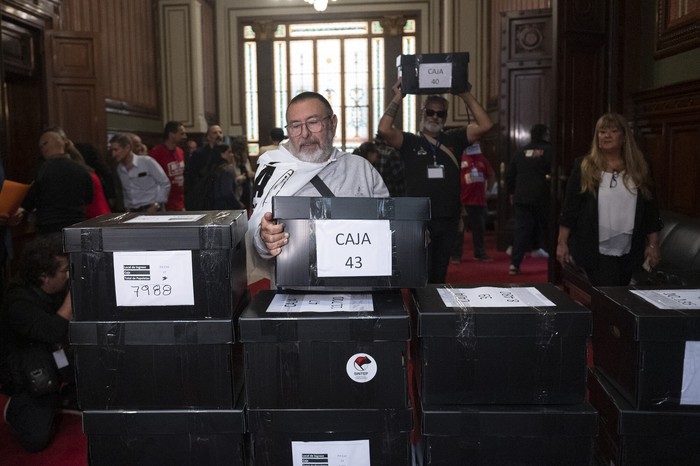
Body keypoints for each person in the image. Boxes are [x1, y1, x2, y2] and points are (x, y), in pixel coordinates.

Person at [247, 91, 388, 284]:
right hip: (293, 289)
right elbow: (258, 231)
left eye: (313, 122)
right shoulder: (274, 167)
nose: (305, 134)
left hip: (356, 286)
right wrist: (265, 239)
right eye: (296, 126)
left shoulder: (360, 168)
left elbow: (389, 227)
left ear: (333, 123)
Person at [378, 79, 493, 282]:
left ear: (445, 116)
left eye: (440, 113)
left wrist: (465, 93)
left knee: (440, 271)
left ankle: (433, 311)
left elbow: (486, 125)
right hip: (419, 218)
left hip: (448, 217)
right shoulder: (410, 141)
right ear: (423, 112)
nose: (435, 117)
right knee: (418, 270)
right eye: (430, 111)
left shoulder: (455, 138)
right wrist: (398, 96)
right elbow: (385, 130)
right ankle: (417, 310)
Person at [557, 112, 663, 286]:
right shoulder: (584, 166)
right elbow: (570, 209)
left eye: (613, 131)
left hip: (629, 249)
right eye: (602, 132)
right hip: (594, 249)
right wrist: (562, 243)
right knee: (608, 297)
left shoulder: (641, 167)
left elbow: (651, 210)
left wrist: (653, 244)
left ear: (624, 137)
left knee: (620, 298)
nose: (606, 136)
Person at [0, 236, 74, 452]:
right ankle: (13, 407)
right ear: (45, 277)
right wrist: (72, 297)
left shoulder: (50, 290)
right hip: (27, 374)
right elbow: (52, 331)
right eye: (64, 271)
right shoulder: (18, 303)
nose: (68, 275)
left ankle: (67, 384)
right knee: (37, 439)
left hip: (52, 356)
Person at [19, 129, 94, 236]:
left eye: (41, 147)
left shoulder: (42, 170)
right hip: (77, 227)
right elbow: (89, 198)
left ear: (45, 147)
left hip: (49, 228)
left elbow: (30, 200)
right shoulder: (81, 169)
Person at [506, 124, 553, 275]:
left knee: (521, 229)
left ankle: (515, 264)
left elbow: (510, 174)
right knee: (547, 226)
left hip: (522, 195)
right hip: (543, 195)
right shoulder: (550, 150)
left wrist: (512, 192)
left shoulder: (520, 151)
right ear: (545, 134)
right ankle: (554, 265)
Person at [109, 133, 170, 213]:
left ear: (127, 148)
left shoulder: (147, 162)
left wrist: (156, 205)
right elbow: (125, 191)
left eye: (116, 150)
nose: (113, 154)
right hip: (132, 211)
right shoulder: (120, 168)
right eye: (112, 150)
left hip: (152, 209)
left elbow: (165, 183)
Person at [458, 141, 496, 263]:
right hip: (463, 200)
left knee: (479, 230)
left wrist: (489, 190)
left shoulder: (482, 159)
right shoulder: (460, 158)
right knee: (459, 230)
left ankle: (479, 253)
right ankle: (455, 255)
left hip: (479, 201)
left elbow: (491, 174)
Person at [184, 124, 224, 210]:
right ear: (208, 137)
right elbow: (191, 175)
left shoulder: (225, 152)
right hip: (204, 195)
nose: (218, 135)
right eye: (215, 133)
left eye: (220, 132)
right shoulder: (199, 153)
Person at [149, 121, 186, 211]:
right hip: (164, 203)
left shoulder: (180, 151)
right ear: (171, 134)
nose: (184, 137)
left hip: (180, 201)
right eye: (181, 134)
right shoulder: (156, 153)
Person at [230, 136, 255, 210]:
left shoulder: (246, 159)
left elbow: (248, 171)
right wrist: (245, 177)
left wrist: (251, 174)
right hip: (237, 191)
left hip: (247, 189)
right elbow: (234, 180)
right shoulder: (232, 159)